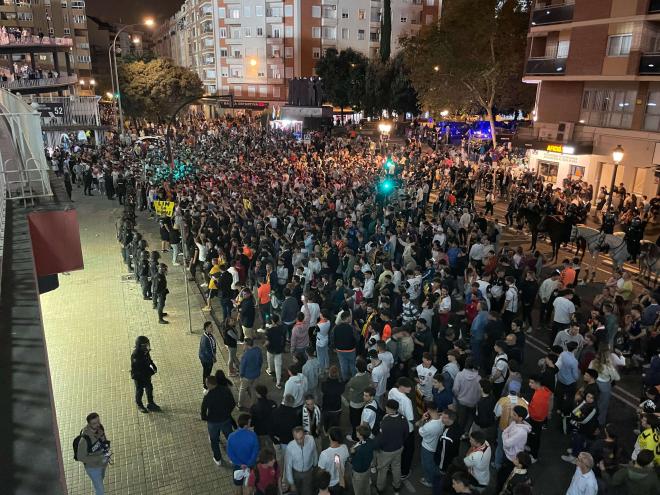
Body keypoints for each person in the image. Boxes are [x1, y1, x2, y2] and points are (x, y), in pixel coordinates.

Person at [373, 399, 409, 494]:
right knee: (396, 467)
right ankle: (396, 486)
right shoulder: (403, 418)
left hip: (386, 451)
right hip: (398, 448)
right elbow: (406, 434)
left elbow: (380, 439)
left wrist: (376, 447)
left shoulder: (385, 422)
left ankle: (380, 488)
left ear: (389, 408)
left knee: (382, 470)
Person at [201, 375, 236, 466]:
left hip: (213, 422)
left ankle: (218, 458)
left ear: (210, 384)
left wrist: (205, 418)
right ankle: (232, 457)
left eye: (206, 383)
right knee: (230, 438)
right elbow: (232, 403)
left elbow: (203, 409)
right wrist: (228, 412)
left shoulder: (208, 395)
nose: (206, 384)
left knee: (214, 440)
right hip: (225, 419)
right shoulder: (225, 390)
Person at [76, 412, 111, 495]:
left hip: (102, 463)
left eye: (98, 421)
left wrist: (106, 447)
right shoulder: (84, 440)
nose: (98, 424)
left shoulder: (100, 428)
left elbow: (103, 440)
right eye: (94, 423)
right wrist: (97, 459)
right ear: (89, 424)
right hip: (93, 468)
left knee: (100, 480)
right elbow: (80, 457)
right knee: (100, 491)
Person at [498, 405, 531, 490]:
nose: (512, 416)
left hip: (512, 457)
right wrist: (506, 435)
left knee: (504, 476)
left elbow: (506, 443)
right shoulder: (514, 422)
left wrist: (505, 436)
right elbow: (505, 431)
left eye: (514, 415)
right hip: (509, 454)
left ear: (520, 418)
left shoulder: (521, 432)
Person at [388, 377, 415, 480]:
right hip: (407, 429)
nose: (410, 389)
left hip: (396, 422)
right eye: (408, 387)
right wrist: (420, 423)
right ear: (402, 387)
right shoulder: (406, 400)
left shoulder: (392, 391)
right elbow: (411, 418)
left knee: (396, 447)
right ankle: (404, 472)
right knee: (408, 450)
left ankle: (392, 466)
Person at [227, 413, 260, 495]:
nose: (250, 424)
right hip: (250, 465)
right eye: (249, 422)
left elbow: (230, 454)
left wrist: (240, 464)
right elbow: (255, 452)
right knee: (250, 485)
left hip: (238, 466)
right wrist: (248, 464)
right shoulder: (253, 436)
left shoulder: (231, 436)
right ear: (246, 425)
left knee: (238, 486)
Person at [415, 401, 444, 488]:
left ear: (428, 410)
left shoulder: (429, 426)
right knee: (432, 463)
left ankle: (429, 480)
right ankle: (436, 475)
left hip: (427, 447)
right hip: (436, 444)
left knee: (427, 464)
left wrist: (422, 419)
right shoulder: (442, 418)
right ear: (437, 408)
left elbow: (419, 429)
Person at [344, 357, 372, 441]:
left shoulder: (354, 380)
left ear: (356, 368)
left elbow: (348, 385)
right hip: (363, 401)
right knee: (361, 418)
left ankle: (355, 437)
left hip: (355, 403)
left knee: (354, 421)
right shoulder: (367, 375)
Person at [130, 336, 160, 413]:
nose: (147, 346)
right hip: (139, 376)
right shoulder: (136, 355)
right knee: (140, 391)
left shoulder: (145, 351)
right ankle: (139, 405)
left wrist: (153, 365)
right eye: (145, 345)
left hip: (146, 374)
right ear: (140, 346)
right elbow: (138, 368)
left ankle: (151, 403)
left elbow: (149, 359)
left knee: (149, 388)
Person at [284, 426, 318, 494]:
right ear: (293, 437)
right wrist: (291, 483)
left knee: (307, 491)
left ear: (304, 434)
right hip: (296, 473)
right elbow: (288, 466)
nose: (299, 441)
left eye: (301, 438)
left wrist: (315, 464)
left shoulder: (311, 440)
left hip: (308, 472)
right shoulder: (290, 447)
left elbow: (314, 453)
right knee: (296, 491)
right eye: (297, 439)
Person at [527, 374, 551, 463]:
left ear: (538, 383)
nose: (529, 384)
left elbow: (537, 413)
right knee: (534, 436)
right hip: (540, 419)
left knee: (535, 438)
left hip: (536, 420)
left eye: (532, 382)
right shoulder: (544, 390)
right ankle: (531, 447)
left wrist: (528, 408)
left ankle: (534, 456)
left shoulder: (538, 397)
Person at [317, 427, 350, 493]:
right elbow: (345, 463)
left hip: (329, 484)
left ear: (330, 437)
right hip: (340, 481)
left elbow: (321, 471)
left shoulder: (324, 454)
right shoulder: (345, 448)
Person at [238, 338, 263, 409]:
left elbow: (242, 367)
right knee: (253, 389)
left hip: (247, 376)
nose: (243, 346)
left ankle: (240, 404)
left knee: (242, 389)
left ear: (247, 345)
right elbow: (261, 361)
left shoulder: (246, 355)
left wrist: (241, 375)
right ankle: (252, 404)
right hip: (256, 374)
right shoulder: (258, 350)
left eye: (244, 345)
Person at [349, 424, 374, 494]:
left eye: (357, 432)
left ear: (361, 436)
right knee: (366, 485)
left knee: (358, 489)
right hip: (367, 468)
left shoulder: (359, 450)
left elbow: (355, 463)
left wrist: (352, 453)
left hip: (359, 473)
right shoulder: (370, 441)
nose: (356, 432)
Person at [334, 310, 357, 381]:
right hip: (351, 349)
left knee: (343, 365)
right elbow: (356, 338)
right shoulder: (351, 327)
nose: (351, 318)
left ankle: (345, 379)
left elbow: (333, 338)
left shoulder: (336, 327)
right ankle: (354, 379)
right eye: (350, 317)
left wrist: (334, 347)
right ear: (347, 318)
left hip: (340, 350)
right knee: (352, 364)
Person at [199, 321, 217, 390]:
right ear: (206, 328)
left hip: (209, 358)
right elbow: (206, 352)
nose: (212, 328)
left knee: (207, 372)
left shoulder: (209, 335)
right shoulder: (205, 338)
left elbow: (213, 346)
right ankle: (205, 386)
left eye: (212, 326)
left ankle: (207, 384)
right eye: (211, 327)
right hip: (206, 360)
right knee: (206, 373)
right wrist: (213, 358)